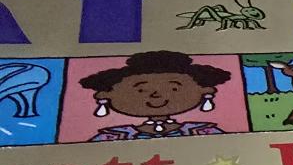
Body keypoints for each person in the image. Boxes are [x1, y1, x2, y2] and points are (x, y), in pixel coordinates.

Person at [79, 51, 232, 141]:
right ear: (106, 95)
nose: (156, 95)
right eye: (141, 90)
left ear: (205, 91)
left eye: (173, 89)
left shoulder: (204, 132)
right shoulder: (113, 136)